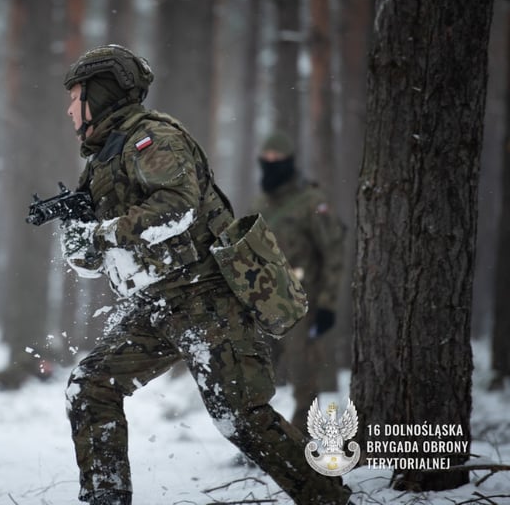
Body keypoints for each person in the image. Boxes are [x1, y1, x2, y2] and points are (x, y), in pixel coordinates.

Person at [57, 44, 353, 505]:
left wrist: (101, 233)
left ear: (102, 93)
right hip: (155, 304)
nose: (70, 108)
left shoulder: (151, 138)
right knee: (91, 384)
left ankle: (329, 499)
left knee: (242, 418)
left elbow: (176, 207)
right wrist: (78, 239)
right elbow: (95, 259)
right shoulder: (100, 161)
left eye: (76, 95)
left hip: (206, 297)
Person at [248, 132, 346, 430]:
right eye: (267, 159)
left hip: (302, 300)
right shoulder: (261, 203)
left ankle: (302, 433)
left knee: (304, 372)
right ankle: (258, 436)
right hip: (262, 301)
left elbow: (333, 254)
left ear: (290, 162)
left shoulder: (312, 202)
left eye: (278, 160)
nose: (271, 165)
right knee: (252, 372)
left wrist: (327, 304)